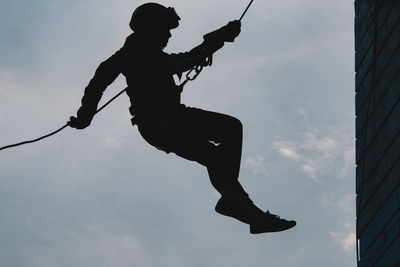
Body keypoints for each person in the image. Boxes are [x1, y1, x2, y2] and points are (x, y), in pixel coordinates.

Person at [68, 2, 296, 234]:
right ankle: (232, 199)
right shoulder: (141, 54)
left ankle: (245, 209)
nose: (168, 35)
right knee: (230, 128)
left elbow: (98, 82)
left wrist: (85, 116)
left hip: (160, 125)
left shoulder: (130, 55)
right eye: (164, 29)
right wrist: (219, 38)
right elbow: (185, 60)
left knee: (214, 156)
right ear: (151, 29)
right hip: (165, 121)